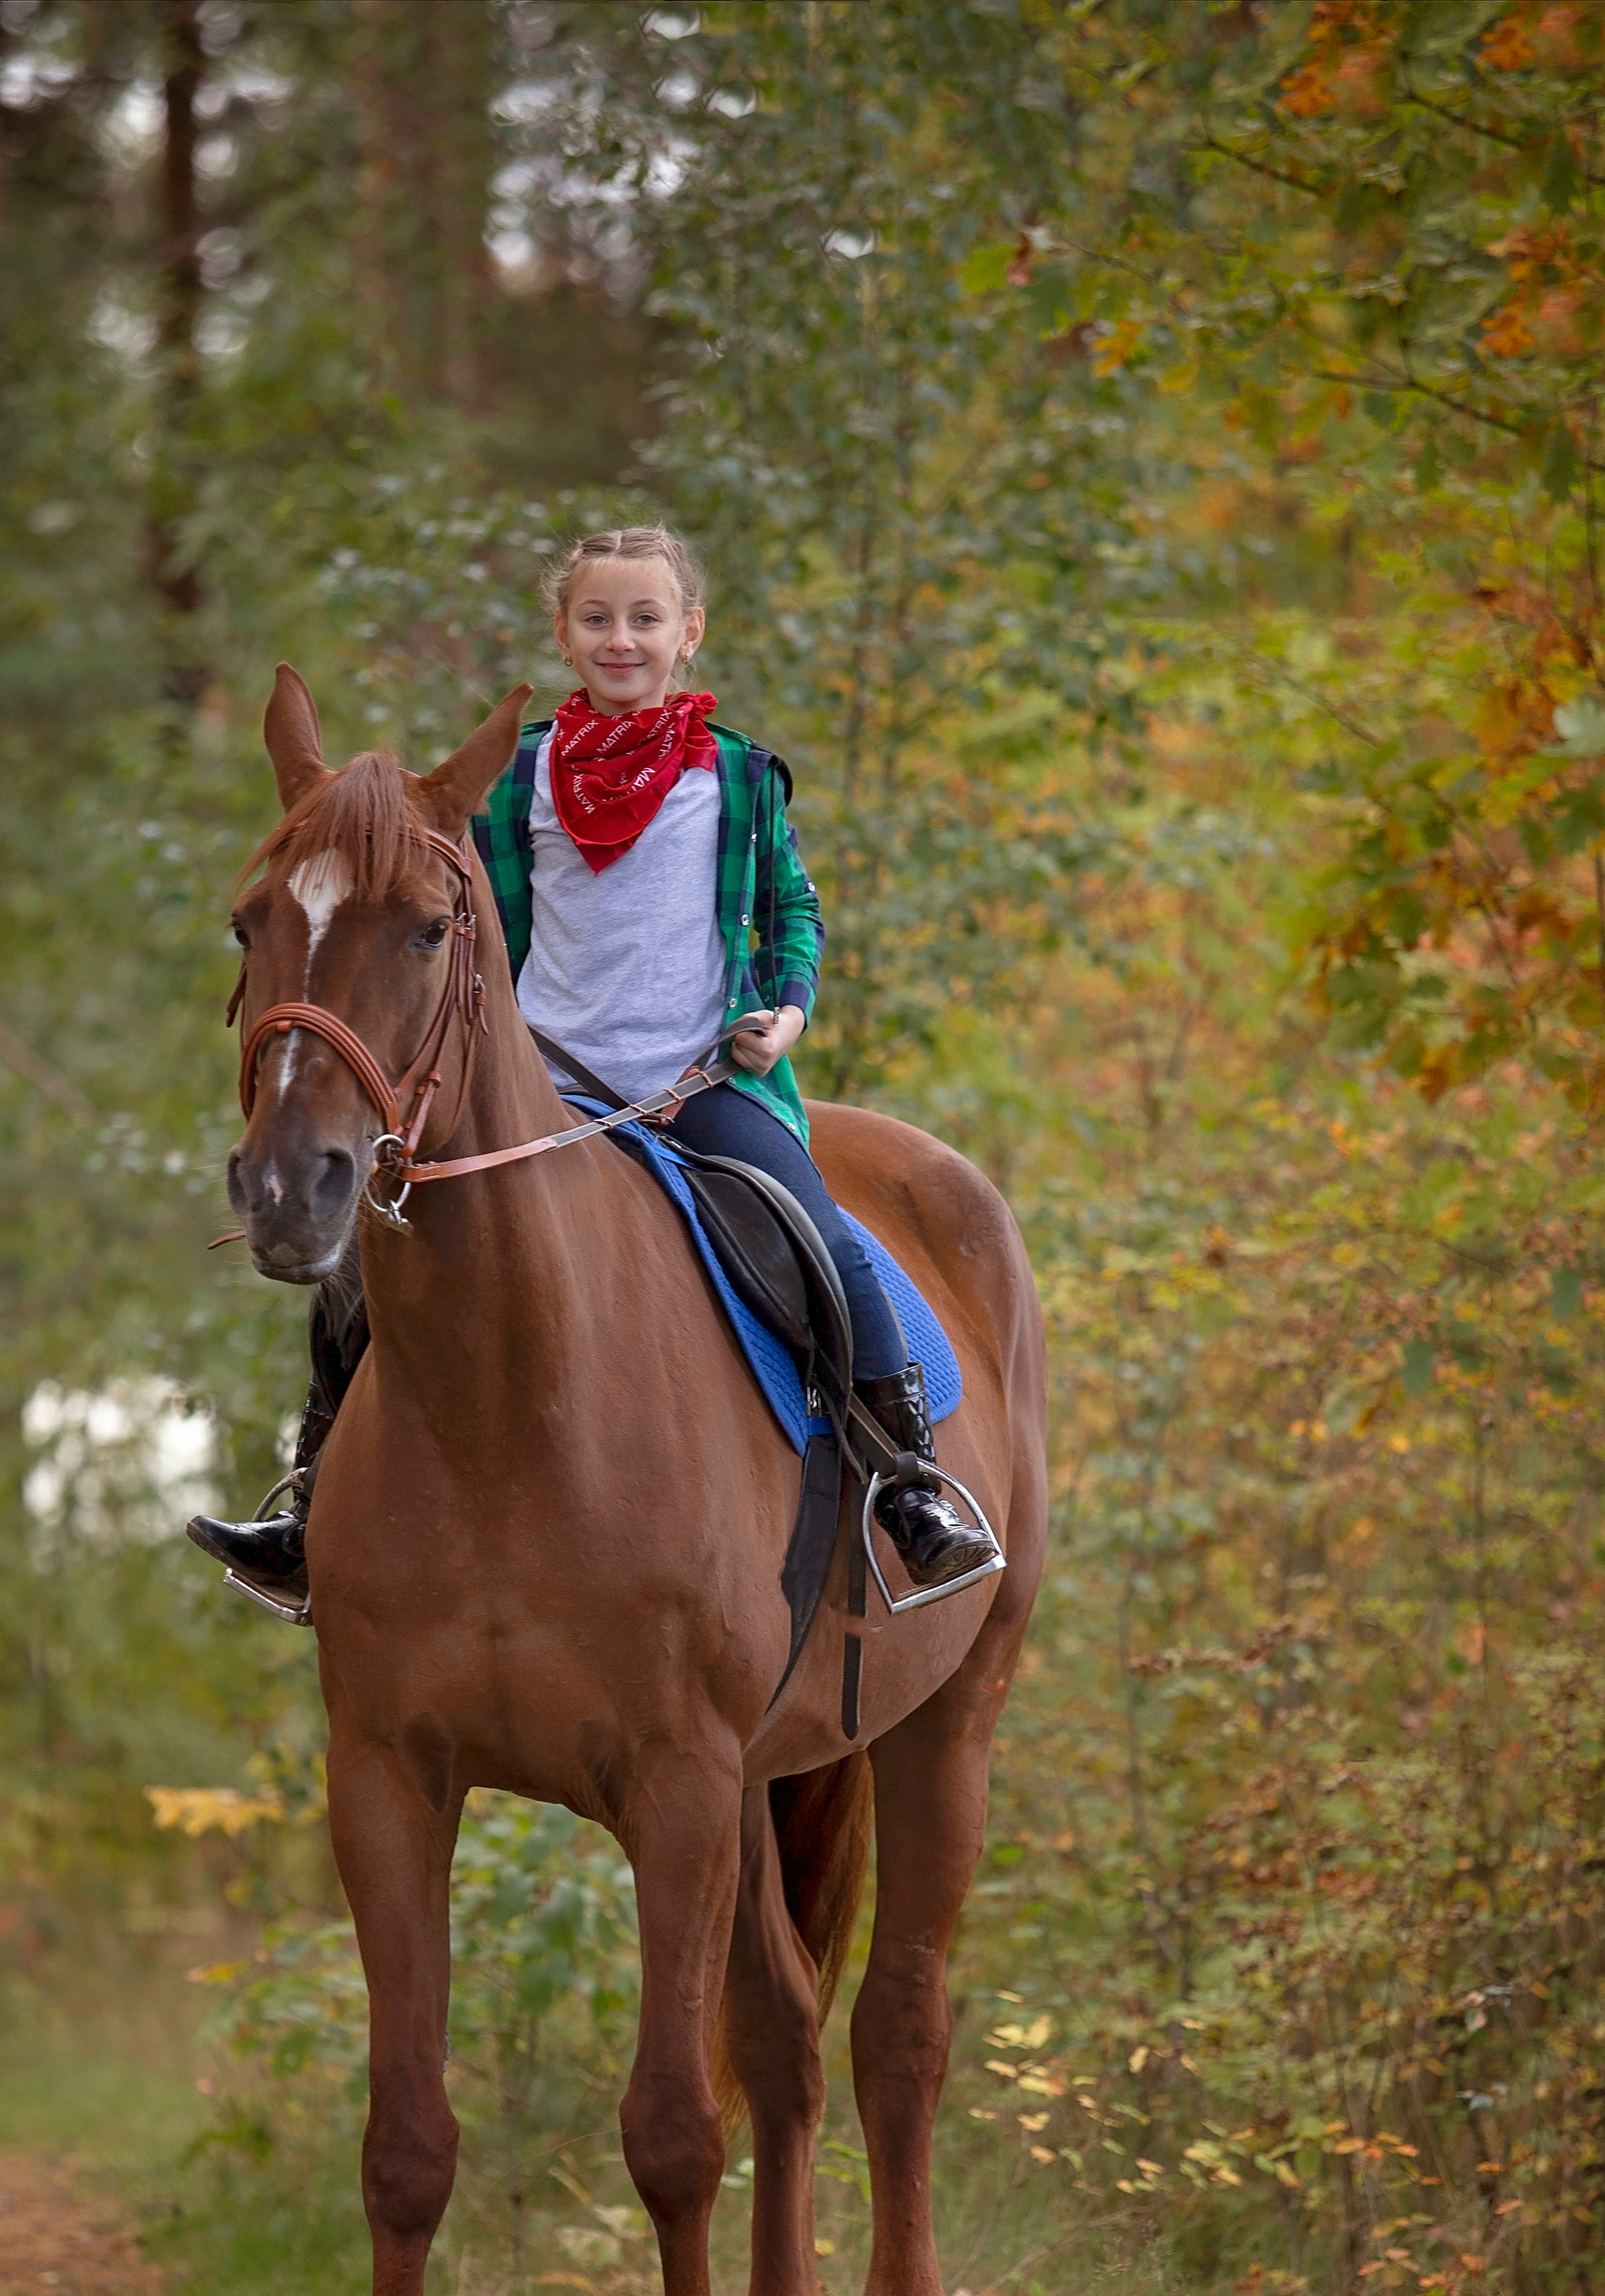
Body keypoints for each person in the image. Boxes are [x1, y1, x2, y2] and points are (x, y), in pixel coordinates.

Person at [188, 524, 1000, 1604]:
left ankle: (909, 1478)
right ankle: (311, 1493)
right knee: (371, 1266)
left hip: (699, 1083)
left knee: (815, 1234)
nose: (623, 638)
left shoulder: (740, 778)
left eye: (646, 618)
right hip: (556, 1085)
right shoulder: (514, 781)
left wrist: (787, 1015)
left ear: (687, 634)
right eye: (598, 618)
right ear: (565, 637)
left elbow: (790, 911)